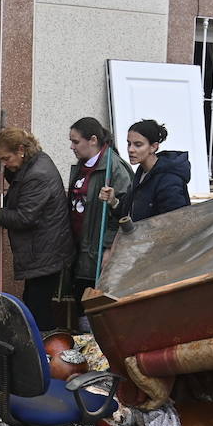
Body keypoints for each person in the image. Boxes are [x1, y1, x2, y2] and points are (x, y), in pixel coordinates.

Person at [0, 127, 74, 332]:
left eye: (6, 158)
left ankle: (47, 353)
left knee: (38, 308)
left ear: (21, 149)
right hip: (43, 248)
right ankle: (42, 350)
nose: (5, 164)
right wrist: (5, 165)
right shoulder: (34, 161)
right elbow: (20, 183)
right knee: (32, 302)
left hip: (45, 250)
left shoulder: (38, 174)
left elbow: (24, 217)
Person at [67, 117, 133, 320]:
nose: (72, 147)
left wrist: (107, 247)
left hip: (98, 252)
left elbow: (122, 213)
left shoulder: (114, 169)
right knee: (80, 298)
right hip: (80, 246)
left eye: (76, 141)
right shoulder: (82, 166)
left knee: (93, 306)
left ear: (93, 140)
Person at [98, 119, 191, 227]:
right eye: (129, 144)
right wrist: (113, 201)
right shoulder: (141, 174)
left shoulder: (168, 180)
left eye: (138, 145)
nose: (130, 150)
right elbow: (130, 215)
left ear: (153, 147)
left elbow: (176, 224)